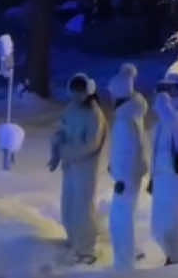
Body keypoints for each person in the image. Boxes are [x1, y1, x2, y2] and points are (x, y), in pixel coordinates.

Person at [49, 72, 106, 265]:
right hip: (70, 166)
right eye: (74, 92)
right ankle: (74, 239)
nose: (76, 96)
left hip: (85, 168)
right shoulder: (71, 109)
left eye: (80, 92)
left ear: (88, 91)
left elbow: (91, 144)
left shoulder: (94, 114)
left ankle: (87, 247)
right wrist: (56, 152)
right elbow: (60, 130)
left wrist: (67, 152)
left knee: (82, 206)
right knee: (69, 203)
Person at [106, 63, 148, 272]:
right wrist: (113, 166)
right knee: (124, 217)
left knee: (119, 221)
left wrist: (121, 177)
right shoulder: (131, 115)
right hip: (127, 175)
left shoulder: (125, 121)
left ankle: (124, 264)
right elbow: (125, 150)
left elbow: (131, 150)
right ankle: (131, 253)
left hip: (126, 179)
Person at [150, 76, 178, 265]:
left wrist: (163, 104)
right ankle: (174, 259)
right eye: (163, 90)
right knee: (159, 226)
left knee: (169, 225)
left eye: (171, 90)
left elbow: (175, 127)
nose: (166, 95)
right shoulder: (166, 118)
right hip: (162, 177)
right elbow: (157, 150)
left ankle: (177, 263)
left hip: (175, 178)